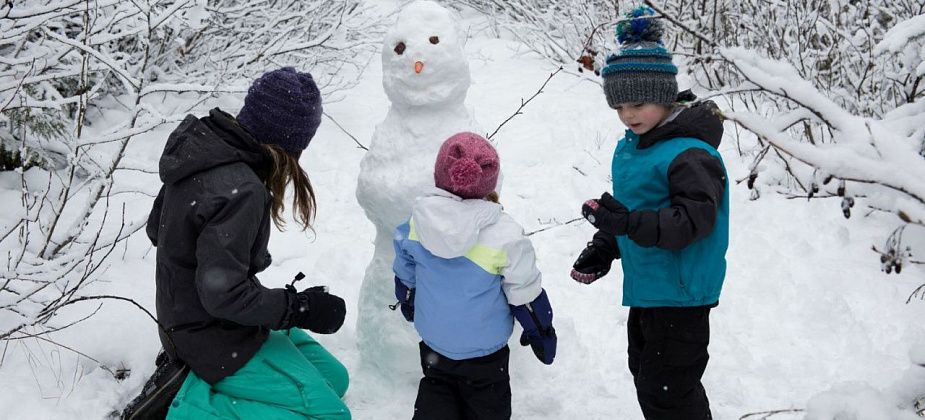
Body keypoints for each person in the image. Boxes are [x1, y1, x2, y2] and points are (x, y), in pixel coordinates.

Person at [124, 67, 350, 420]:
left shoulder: (205, 150)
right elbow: (223, 296)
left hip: (199, 323)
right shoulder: (241, 189)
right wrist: (299, 307)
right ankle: (188, 406)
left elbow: (157, 229)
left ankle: (201, 381)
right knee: (331, 415)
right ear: (291, 141)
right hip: (211, 338)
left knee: (337, 379)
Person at [570, 6, 728, 420]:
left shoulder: (689, 153)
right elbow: (637, 210)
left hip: (680, 293)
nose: (628, 115)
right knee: (648, 378)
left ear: (664, 95)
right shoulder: (637, 146)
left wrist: (625, 225)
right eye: (619, 107)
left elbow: (693, 221)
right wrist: (606, 243)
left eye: (637, 103)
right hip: (648, 289)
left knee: (669, 391)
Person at [391, 132, 556, 420]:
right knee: (487, 407)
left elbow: (405, 272)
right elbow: (525, 292)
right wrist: (540, 330)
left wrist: (408, 302)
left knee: (437, 393)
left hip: (435, 345)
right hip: (485, 356)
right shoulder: (505, 235)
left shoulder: (417, 222)